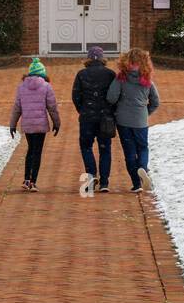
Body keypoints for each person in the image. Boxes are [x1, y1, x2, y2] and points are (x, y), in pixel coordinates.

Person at [106, 47, 160, 193]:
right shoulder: (147, 80)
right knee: (142, 147)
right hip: (140, 120)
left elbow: (111, 97)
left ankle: (137, 184)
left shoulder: (121, 78)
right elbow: (155, 101)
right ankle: (142, 167)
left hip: (123, 120)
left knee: (129, 151)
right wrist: (145, 112)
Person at [9, 57, 60, 190]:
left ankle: (26, 179)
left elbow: (17, 108)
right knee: (37, 152)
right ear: (43, 73)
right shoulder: (46, 86)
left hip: (28, 124)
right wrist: (56, 123)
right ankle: (33, 181)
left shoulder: (21, 87)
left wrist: (12, 125)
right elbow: (52, 107)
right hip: (40, 125)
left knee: (30, 150)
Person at [71, 45, 116, 193]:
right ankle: (104, 182)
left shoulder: (82, 74)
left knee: (86, 147)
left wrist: (83, 109)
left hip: (87, 117)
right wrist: (110, 111)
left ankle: (91, 177)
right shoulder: (110, 74)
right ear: (103, 58)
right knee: (105, 149)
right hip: (105, 118)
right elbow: (114, 96)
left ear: (89, 58)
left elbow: (76, 96)